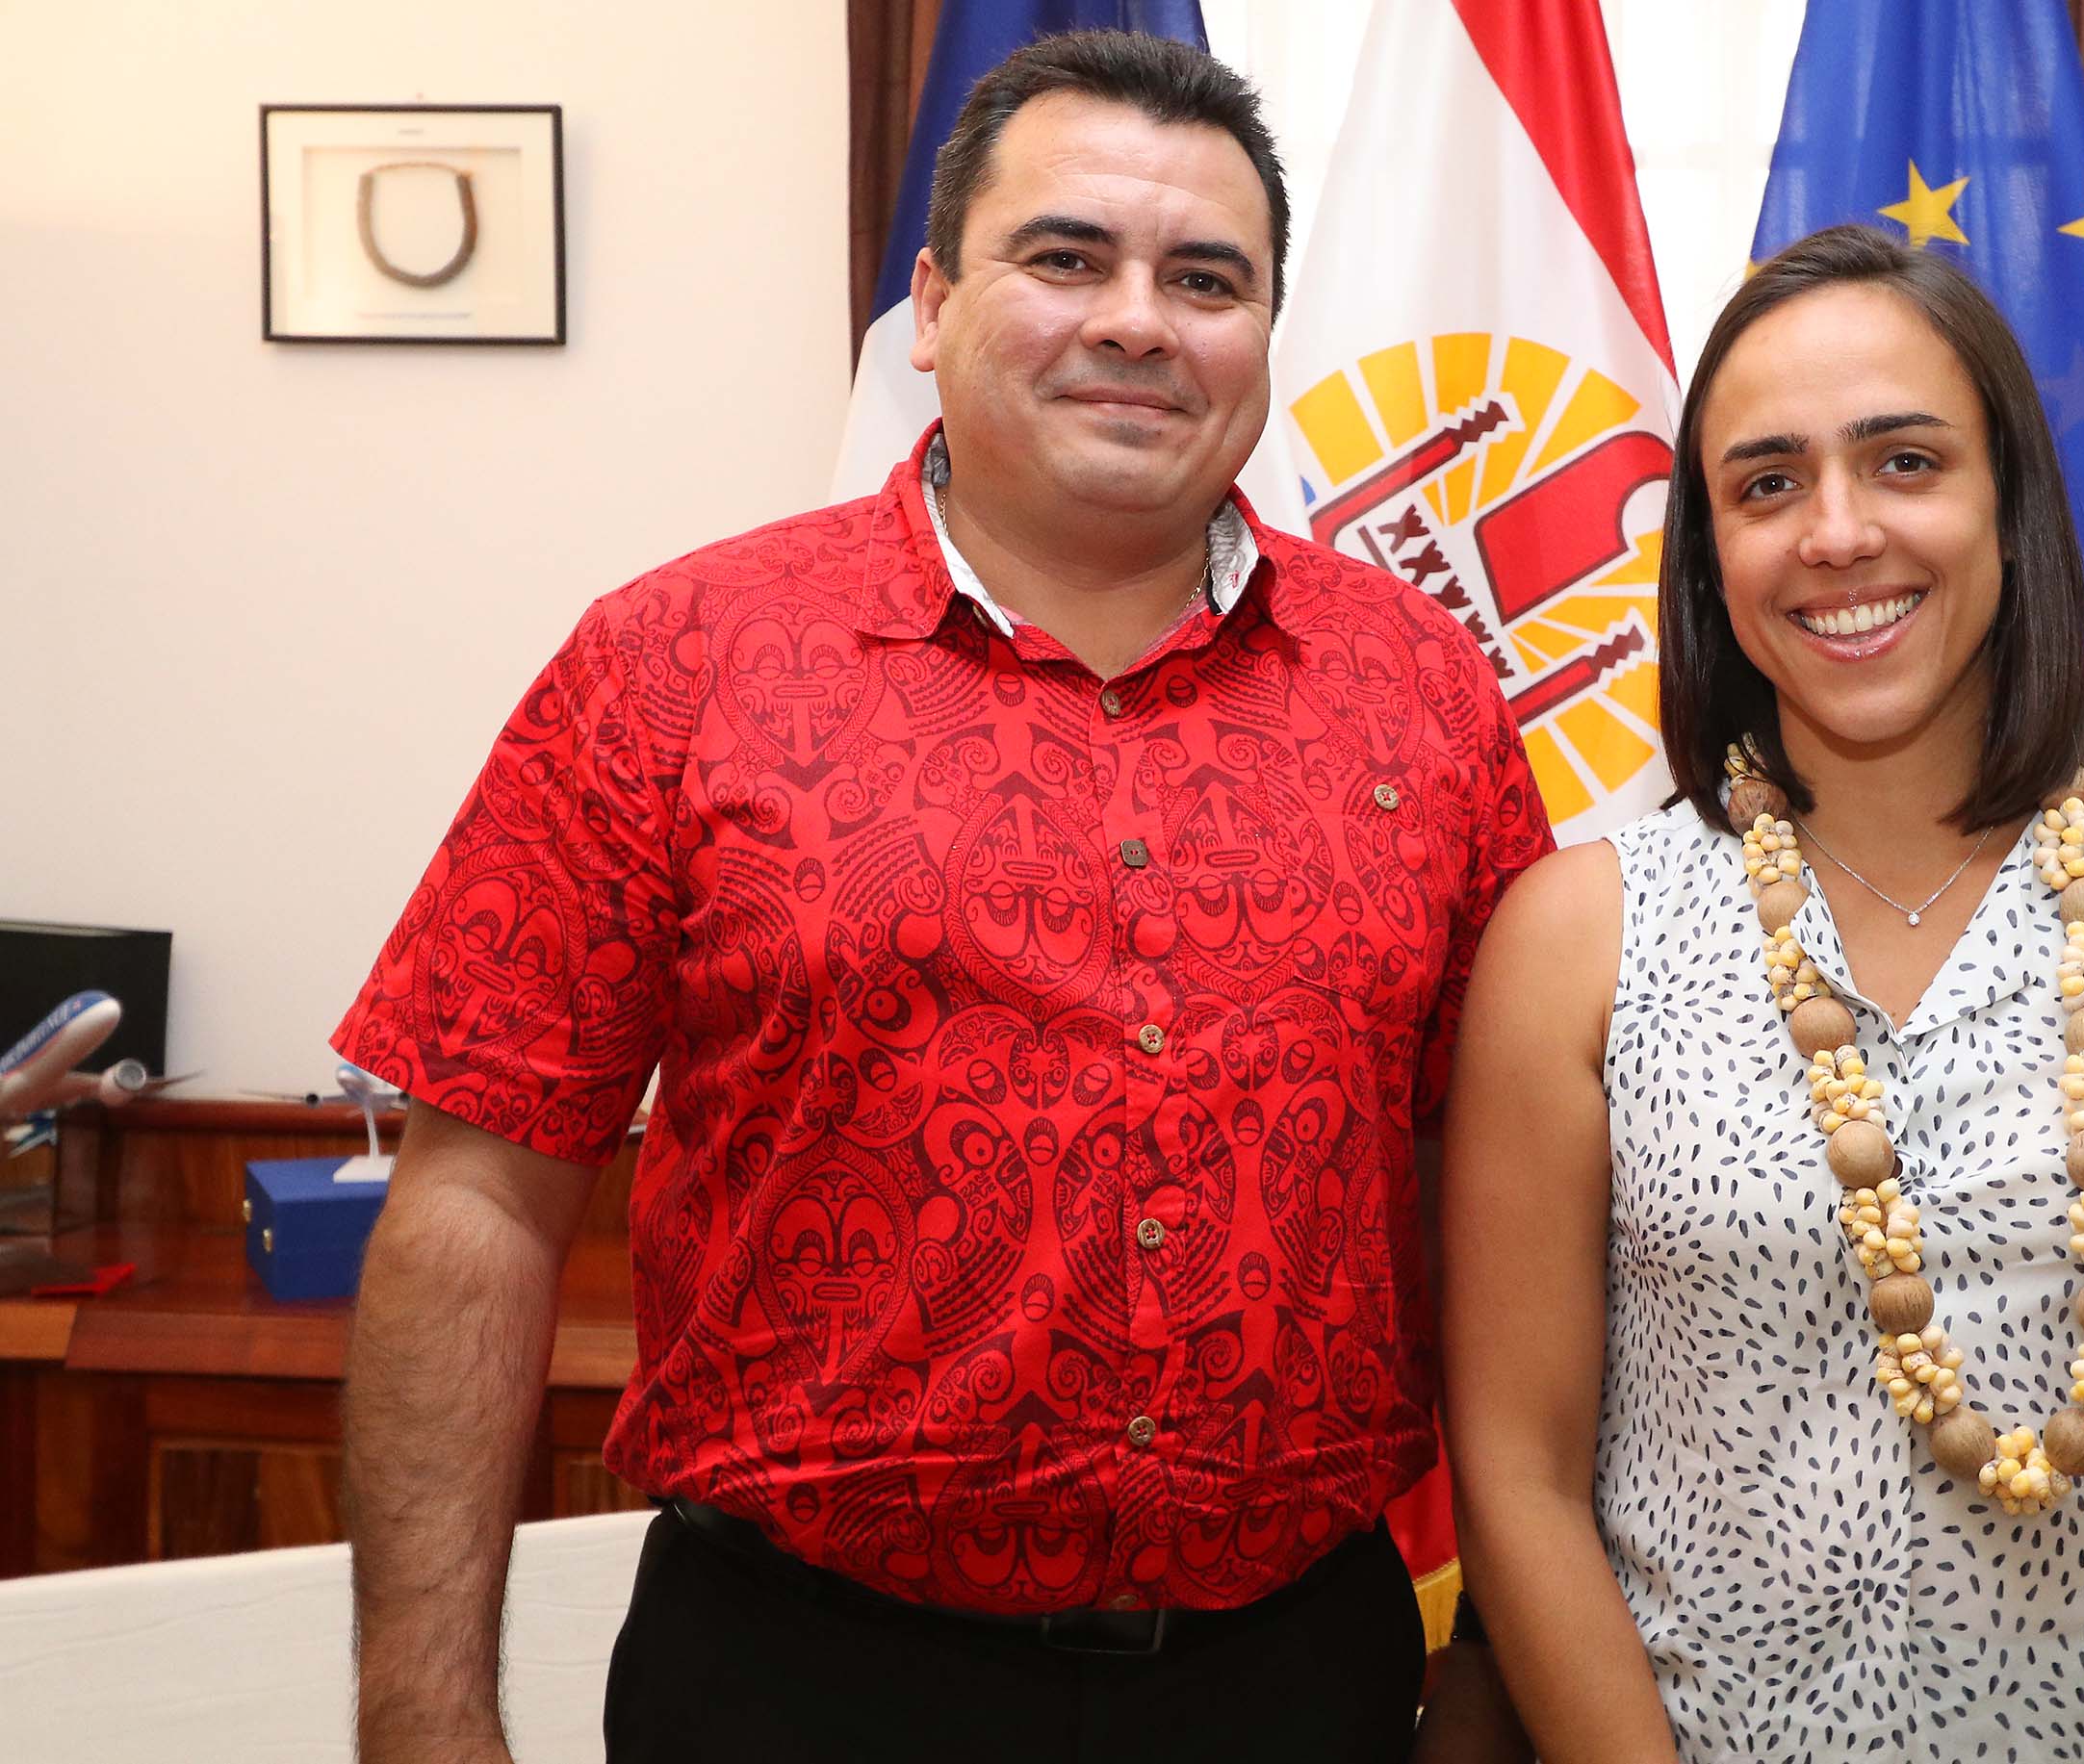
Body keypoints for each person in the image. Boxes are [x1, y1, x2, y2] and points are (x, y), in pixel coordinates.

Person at [334, 32, 1551, 1763]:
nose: (1138, 318)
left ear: (1267, 334)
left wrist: (1496, 1668)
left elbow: (1510, 1214)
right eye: (1066, 258)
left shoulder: (1423, 692)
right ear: (931, 302)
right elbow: (477, 1210)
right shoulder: (676, 660)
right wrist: (421, 1722)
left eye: (1206, 278)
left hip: (1294, 1679)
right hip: (797, 1683)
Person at [1440, 224, 2084, 1762]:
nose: (1836, 533)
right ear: (1709, 557)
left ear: (2008, 502)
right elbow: (1518, 1464)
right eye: (1767, 484)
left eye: (1903, 462)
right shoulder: (1574, 937)